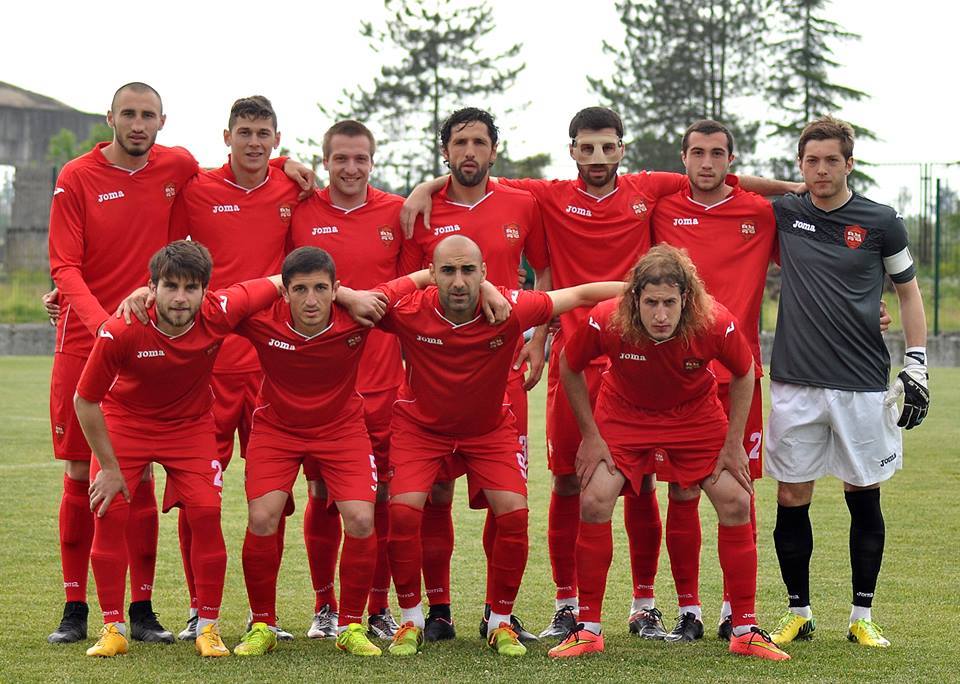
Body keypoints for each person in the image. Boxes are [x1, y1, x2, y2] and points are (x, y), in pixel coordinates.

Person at [401, 106, 800, 640]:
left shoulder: (646, 188)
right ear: (571, 150)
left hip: (642, 358)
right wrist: (426, 186)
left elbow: (716, 176)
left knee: (646, 484)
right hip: (577, 357)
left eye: (607, 147)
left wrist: (794, 186)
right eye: (586, 148)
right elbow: (476, 178)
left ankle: (646, 604)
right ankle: (568, 605)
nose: (596, 157)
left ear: (621, 149)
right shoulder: (545, 195)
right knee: (570, 480)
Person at [44, 83, 314, 645]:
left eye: (148, 115)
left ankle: (143, 610)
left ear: (162, 121)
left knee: (171, 485)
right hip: (96, 335)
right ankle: (76, 608)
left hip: (181, 337)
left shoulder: (178, 166)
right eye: (129, 114)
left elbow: (246, 162)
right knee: (85, 475)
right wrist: (102, 323)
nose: (138, 124)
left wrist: (284, 162)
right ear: (111, 117)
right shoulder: (77, 175)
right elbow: (64, 266)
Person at [232, 247, 484, 657]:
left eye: (321, 289)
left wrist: (489, 290)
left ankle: (350, 625)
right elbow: (210, 303)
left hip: (342, 428)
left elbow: (423, 277)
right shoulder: (261, 319)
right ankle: (262, 624)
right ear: (285, 292)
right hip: (277, 429)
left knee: (363, 519)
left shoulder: (358, 315)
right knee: (262, 516)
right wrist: (143, 295)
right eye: (300, 290)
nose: (311, 300)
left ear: (334, 290)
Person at [380, 234, 623, 658]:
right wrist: (420, 279)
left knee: (513, 514)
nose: (459, 282)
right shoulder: (409, 310)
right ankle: (411, 620)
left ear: (484, 273)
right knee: (402, 512)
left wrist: (646, 289)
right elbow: (368, 299)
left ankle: (500, 622)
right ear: (432, 275)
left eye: (468, 271)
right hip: (421, 428)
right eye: (448, 271)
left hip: (488, 430)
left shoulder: (513, 307)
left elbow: (581, 294)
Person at [550, 244, 789, 662]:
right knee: (594, 499)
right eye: (651, 303)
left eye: (669, 303)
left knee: (736, 501)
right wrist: (591, 435)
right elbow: (570, 365)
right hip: (625, 414)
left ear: (686, 300)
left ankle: (745, 630)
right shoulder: (608, 319)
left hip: (693, 416)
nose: (660, 315)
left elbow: (745, 371)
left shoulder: (713, 322)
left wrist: (733, 444)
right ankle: (588, 629)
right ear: (635, 300)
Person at [73, 240, 283, 658]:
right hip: (127, 423)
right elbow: (85, 400)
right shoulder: (123, 327)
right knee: (109, 511)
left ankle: (208, 628)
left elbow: (284, 281)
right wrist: (110, 469)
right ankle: (112, 628)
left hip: (190, 427)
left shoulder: (220, 311)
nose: (181, 298)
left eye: (191, 287)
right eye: (170, 286)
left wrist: (346, 294)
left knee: (205, 513)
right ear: (152, 288)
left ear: (206, 291)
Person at [766, 116, 929, 649]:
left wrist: (917, 362)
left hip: (861, 382)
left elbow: (908, 292)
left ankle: (862, 616)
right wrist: (786, 186)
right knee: (792, 495)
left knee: (863, 495)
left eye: (831, 160)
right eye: (810, 161)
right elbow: (728, 184)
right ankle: (799, 612)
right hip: (795, 381)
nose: (821, 170)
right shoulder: (786, 212)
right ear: (799, 165)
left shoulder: (883, 221)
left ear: (849, 163)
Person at [397, 108, 549, 642]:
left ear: (493, 150)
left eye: (479, 143)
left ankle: (496, 612)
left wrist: (539, 341)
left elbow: (545, 273)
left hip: (503, 371)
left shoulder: (522, 202)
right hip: (438, 372)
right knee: (435, 494)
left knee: (503, 499)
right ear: (445, 152)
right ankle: (438, 609)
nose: (469, 152)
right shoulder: (421, 207)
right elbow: (411, 285)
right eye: (459, 143)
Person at [166, 94, 301, 641]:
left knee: (272, 496)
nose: (253, 141)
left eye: (263, 133)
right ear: (226, 137)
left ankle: (263, 615)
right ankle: (199, 609)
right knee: (200, 494)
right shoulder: (196, 188)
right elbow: (165, 259)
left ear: (276, 139)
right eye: (244, 132)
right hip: (209, 364)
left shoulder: (292, 188)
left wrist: (290, 165)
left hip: (272, 364)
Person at [649, 119, 776, 642]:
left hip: (740, 377)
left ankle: (734, 611)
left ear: (731, 160)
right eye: (697, 152)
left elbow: (817, 266)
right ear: (683, 158)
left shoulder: (759, 213)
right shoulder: (661, 208)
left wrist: (868, 308)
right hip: (679, 379)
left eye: (717, 153)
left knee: (739, 491)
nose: (706, 163)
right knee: (681, 492)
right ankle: (689, 610)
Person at [288, 120, 406, 640]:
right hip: (321, 381)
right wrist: (343, 295)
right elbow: (285, 282)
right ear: (325, 161)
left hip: (383, 379)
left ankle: (376, 606)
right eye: (341, 159)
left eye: (360, 159)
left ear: (373, 162)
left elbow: (412, 285)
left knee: (379, 496)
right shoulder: (300, 211)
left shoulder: (397, 213)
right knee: (320, 491)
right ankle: (324, 607)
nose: (351, 168)